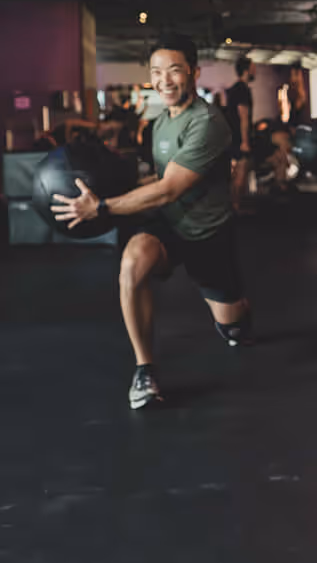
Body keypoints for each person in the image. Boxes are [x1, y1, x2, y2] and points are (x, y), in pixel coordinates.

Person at [52, 34, 252, 410]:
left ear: (193, 72)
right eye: (157, 72)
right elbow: (157, 182)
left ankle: (238, 314)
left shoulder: (208, 122)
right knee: (132, 262)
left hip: (208, 234)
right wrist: (107, 188)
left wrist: (104, 207)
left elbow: (169, 189)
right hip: (169, 226)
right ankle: (145, 370)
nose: (165, 81)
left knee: (234, 327)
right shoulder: (159, 123)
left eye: (174, 71)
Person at [226, 55, 255, 212]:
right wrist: (245, 141)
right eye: (253, 67)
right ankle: (235, 207)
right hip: (238, 138)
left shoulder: (236, 88)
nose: (255, 70)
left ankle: (234, 206)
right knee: (240, 172)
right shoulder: (242, 89)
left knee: (238, 172)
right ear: (246, 69)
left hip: (233, 137)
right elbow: (243, 116)